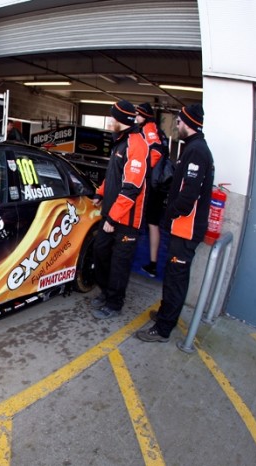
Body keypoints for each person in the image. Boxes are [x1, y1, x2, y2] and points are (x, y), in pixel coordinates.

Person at [136, 104, 214, 342]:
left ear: (188, 123)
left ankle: (163, 329)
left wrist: (170, 214)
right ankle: (164, 315)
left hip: (186, 229)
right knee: (172, 276)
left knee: (176, 280)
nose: (176, 125)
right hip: (181, 227)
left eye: (179, 122)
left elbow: (189, 196)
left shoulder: (197, 151)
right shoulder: (192, 148)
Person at [90, 100, 149, 319]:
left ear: (121, 121)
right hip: (112, 214)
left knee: (119, 264)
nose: (109, 122)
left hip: (127, 221)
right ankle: (107, 292)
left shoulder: (137, 144)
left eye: (112, 118)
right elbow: (113, 175)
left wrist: (113, 219)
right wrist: (100, 193)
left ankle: (114, 303)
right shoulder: (120, 142)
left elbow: (131, 189)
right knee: (100, 251)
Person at [136, 103, 170, 278]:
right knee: (153, 223)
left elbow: (155, 152)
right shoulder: (159, 131)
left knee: (143, 222)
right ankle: (153, 263)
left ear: (144, 116)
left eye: (138, 115)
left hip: (151, 185)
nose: (136, 117)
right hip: (159, 184)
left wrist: (142, 170)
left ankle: (147, 262)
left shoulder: (149, 128)